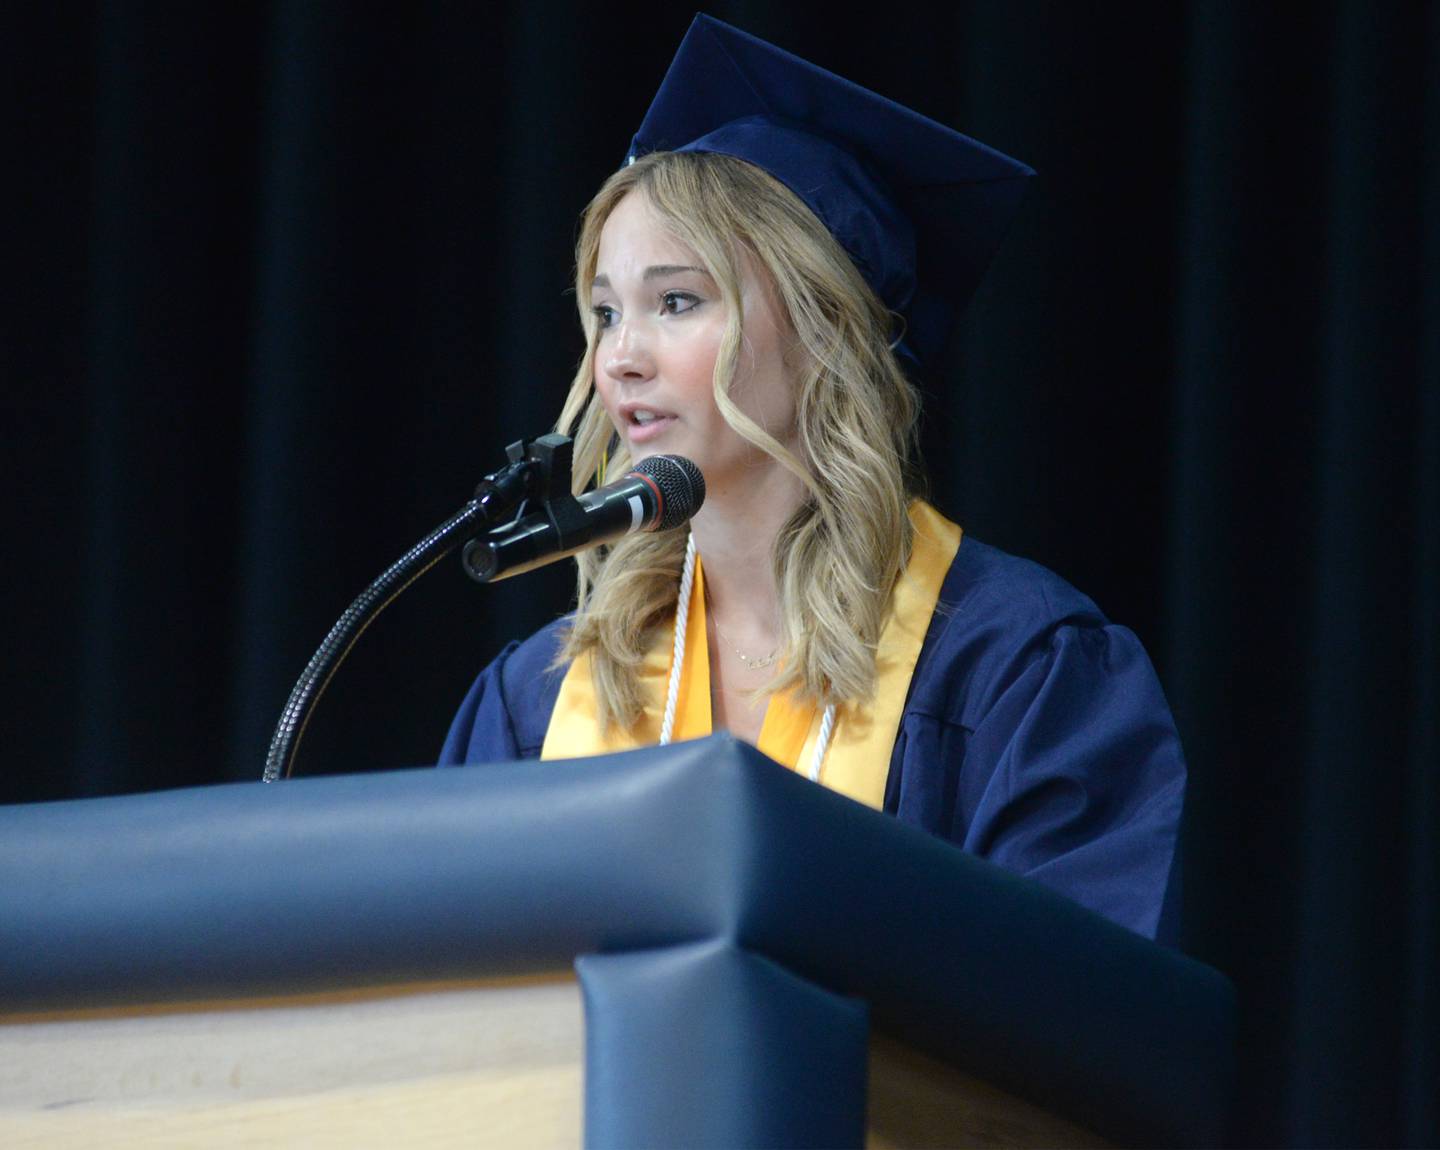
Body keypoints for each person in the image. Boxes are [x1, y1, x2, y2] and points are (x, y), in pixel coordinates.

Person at [441, 16, 1186, 946]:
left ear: (824, 329)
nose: (620, 358)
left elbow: (1086, 1031)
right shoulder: (540, 699)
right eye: (603, 312)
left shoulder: (1013, 673)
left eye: (678, 301)